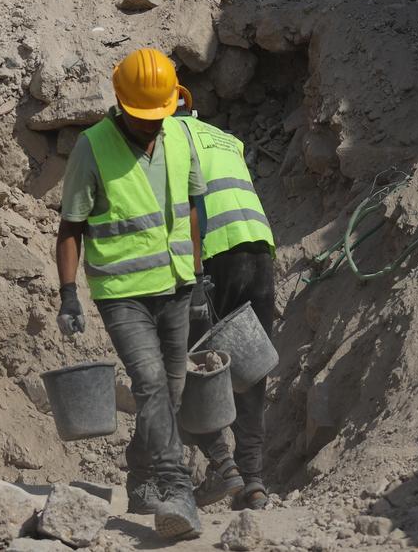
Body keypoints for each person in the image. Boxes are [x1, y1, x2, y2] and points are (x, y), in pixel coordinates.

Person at [55, 49, 211, 541]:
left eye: (159, 117)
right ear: (120, 104)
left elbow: (190, 209)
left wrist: (200, 273)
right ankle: (174, 487)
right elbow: (70, 227)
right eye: (144, 118)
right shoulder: (92, 146)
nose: (152, 126)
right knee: (148, 383)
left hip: (177, 285)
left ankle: (140, 474)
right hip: (122, 293)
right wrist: (67, 294)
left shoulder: (180, 135)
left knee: (174, 387)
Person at [174, 85, 276, 511]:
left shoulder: (166, 139)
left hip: (213, 256)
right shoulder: (225, 138)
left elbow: (183, 211)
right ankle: (253, 478)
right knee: (249, 369)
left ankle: (223, 468)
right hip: (259, 247)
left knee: (196, 365)